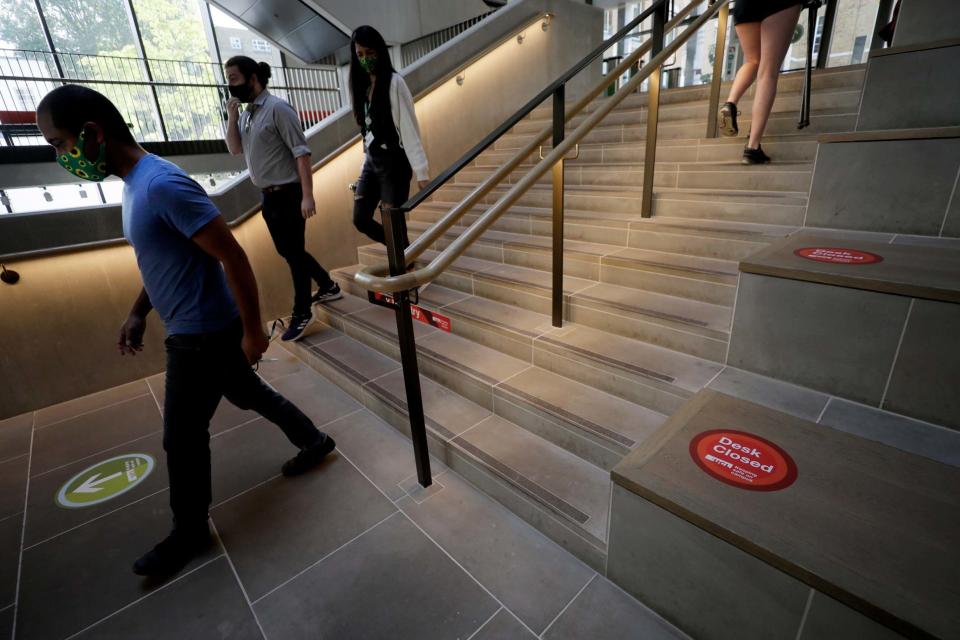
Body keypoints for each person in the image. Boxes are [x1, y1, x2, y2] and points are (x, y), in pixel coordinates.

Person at [36, 85, 337, 579]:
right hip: (192, 327)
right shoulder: (135, 185)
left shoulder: (161, 185)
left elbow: (233, 256)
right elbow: (164, 260)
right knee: (248, 393)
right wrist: (138, 311)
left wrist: (253, 330)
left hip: (201, 333)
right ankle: (314, 439)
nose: (59, 154)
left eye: (58, 142)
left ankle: (190, 530)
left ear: (91, 133)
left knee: (182, 436)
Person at [225, 56, 341, 343]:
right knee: (290, 252)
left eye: (234, 78)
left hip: (289, 194)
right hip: (268, 198)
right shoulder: (249, 114)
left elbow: (301, 152)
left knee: (294, 256)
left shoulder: (278, 109)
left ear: (253, 78)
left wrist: (307, 195)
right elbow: (234, 149)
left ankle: (302, 311)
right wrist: (232, 117)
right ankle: (327, 284)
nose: (230, 85)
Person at [349, 25, 429, 256]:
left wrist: (421, 171)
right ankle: (404, 250)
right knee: (360, 218)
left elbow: (408, 128)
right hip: (371, 162)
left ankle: (402, 264)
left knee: (392, 219)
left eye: (369, 53)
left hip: (394, 161)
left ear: (380, 52)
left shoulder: (394, 83)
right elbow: (366, 130)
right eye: (360, 54)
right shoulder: (361, 87)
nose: (365, 59)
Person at [717, 0, 803, 164]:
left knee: (752, 61)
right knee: (767, 72)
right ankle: (753, 147)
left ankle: (731, 102)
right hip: (778, 5)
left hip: (744, 5)